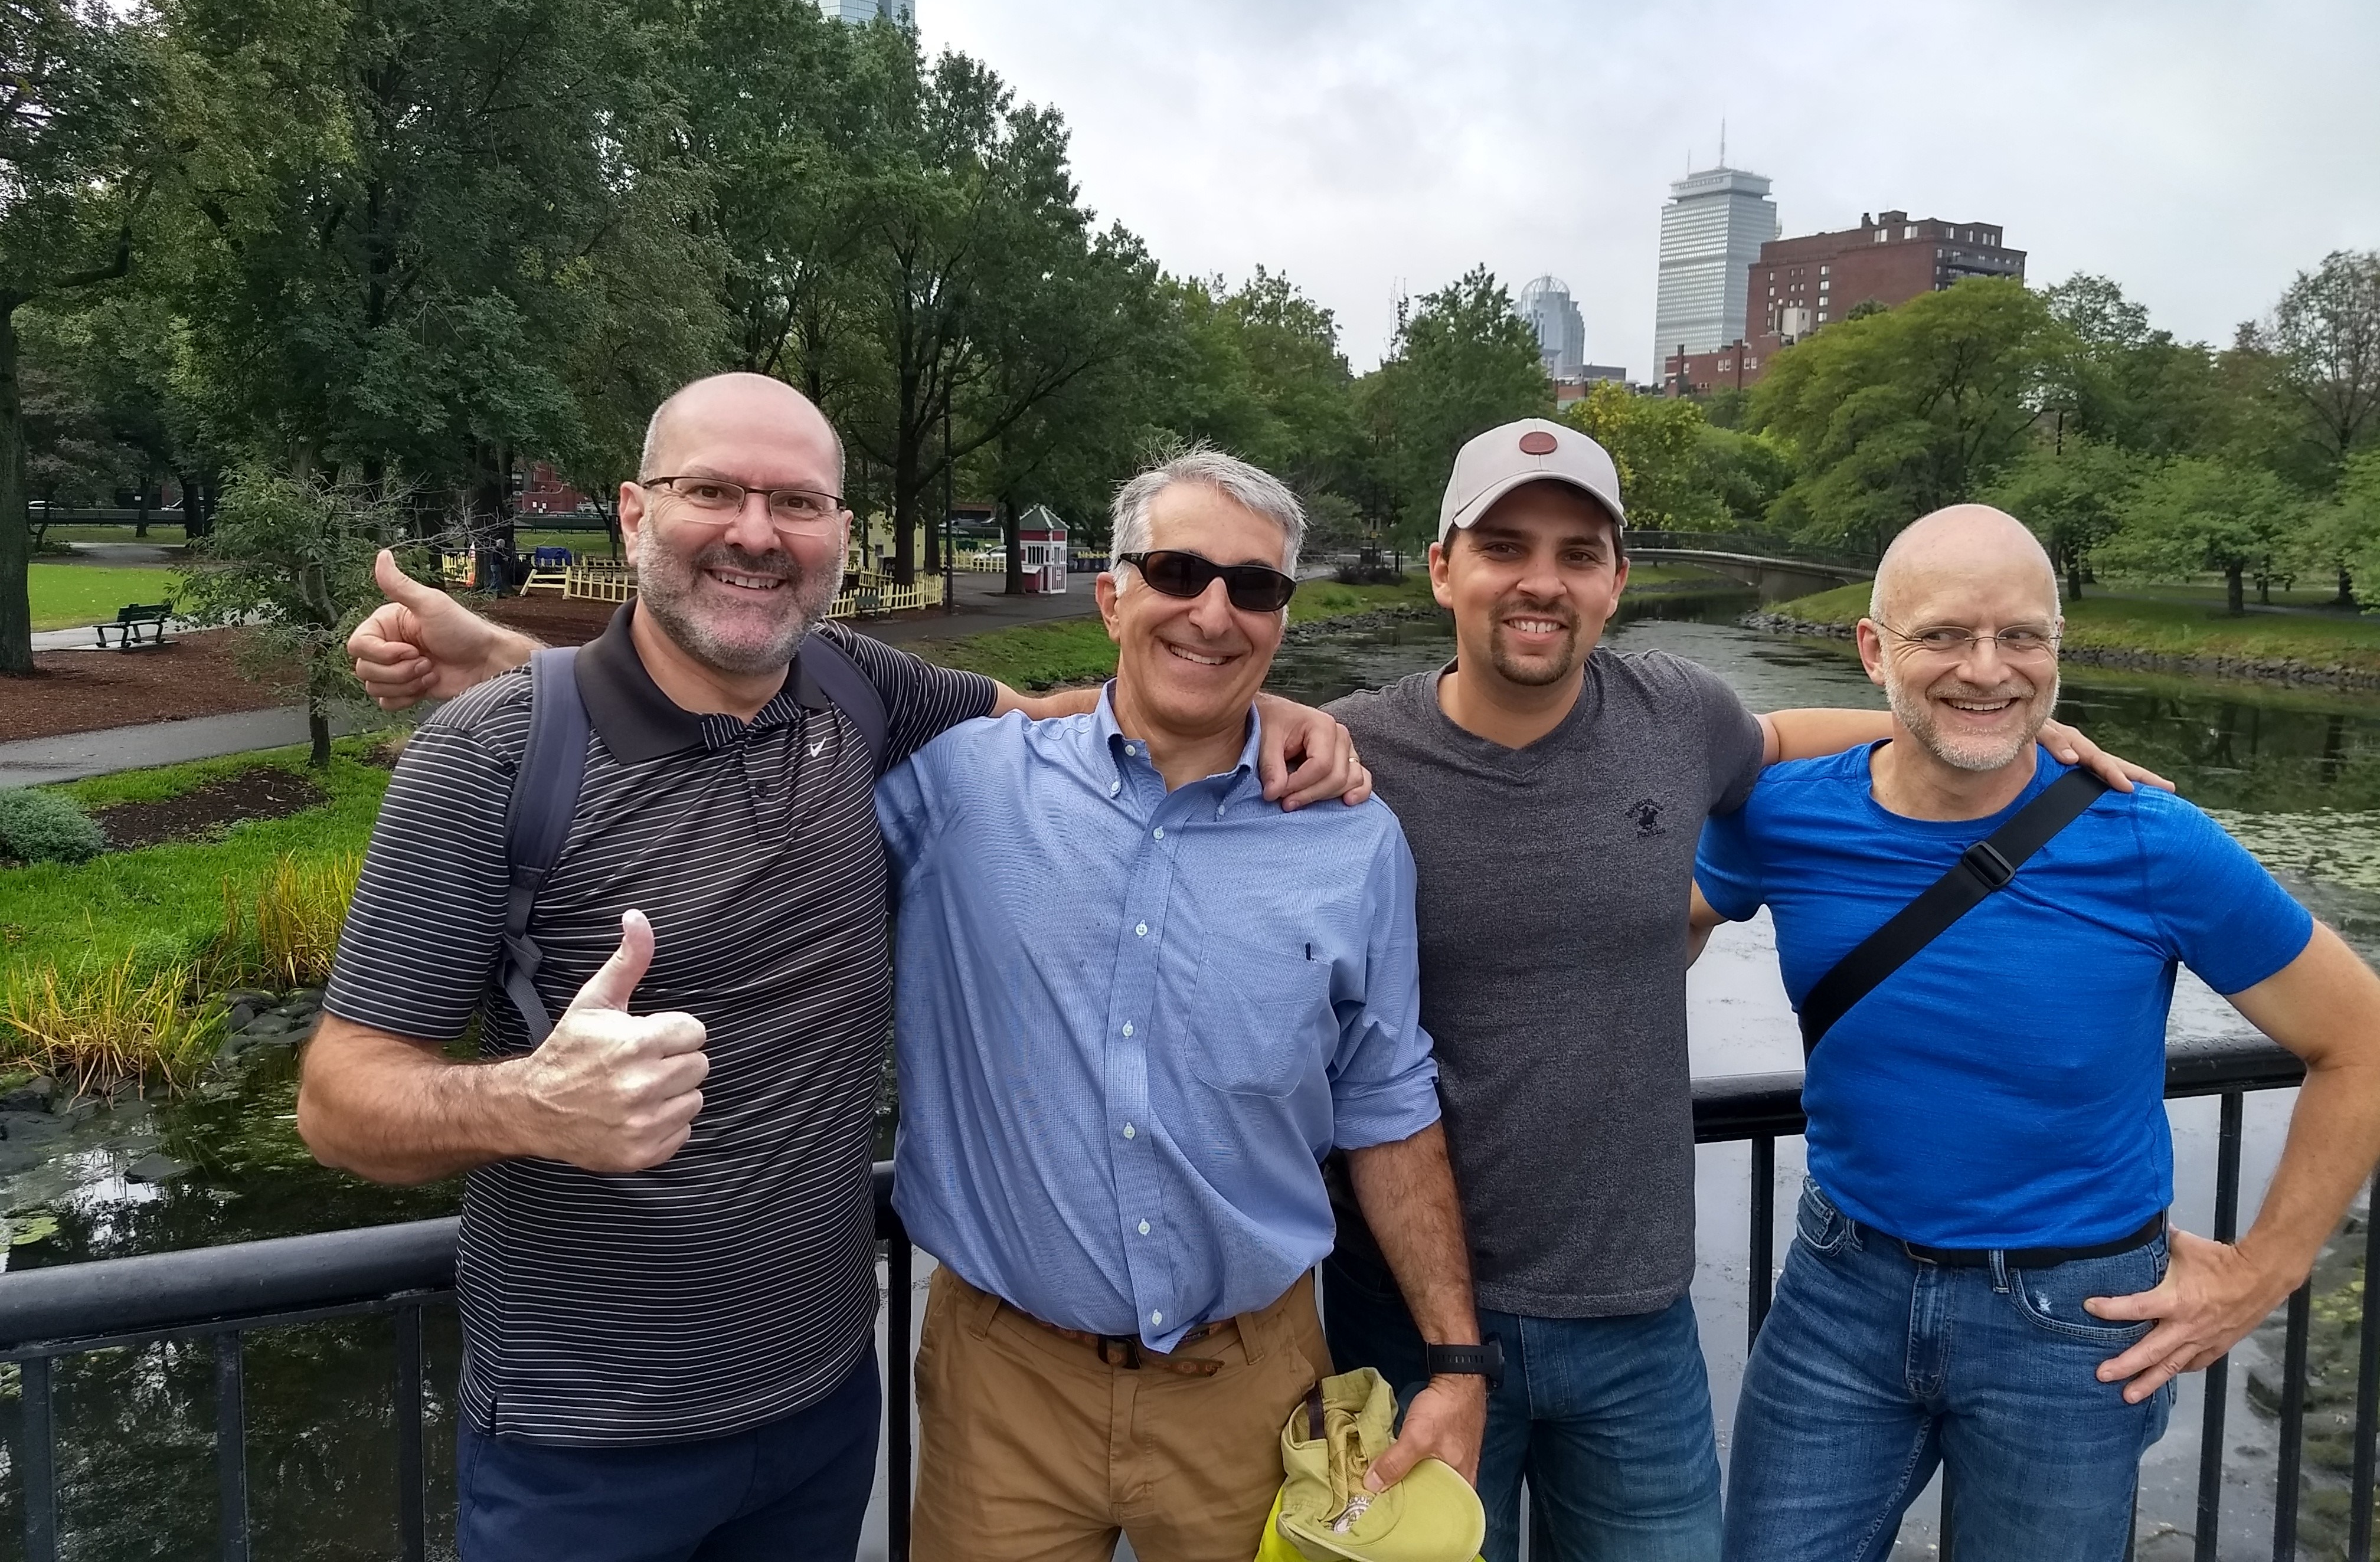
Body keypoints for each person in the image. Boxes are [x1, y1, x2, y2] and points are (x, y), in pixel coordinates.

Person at [310, 374, 1364, 1562]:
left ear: (841, 538)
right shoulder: (490, 755)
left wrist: (1261, 709)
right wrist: (524, 1103)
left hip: (819, 1416)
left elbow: (1072, 721)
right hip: (583, 1447)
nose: (756, 532)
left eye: (797, 503)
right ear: (633, 515)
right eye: (711, 490)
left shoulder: (860, 693)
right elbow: (339, 1098)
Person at [1316, 421, 2158, 1562]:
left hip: (1636, 1325)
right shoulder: (1347, 754)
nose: (1541, 582)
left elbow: (1780, 736)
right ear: (1441, 568)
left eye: (1578, 553)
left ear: (1617, 579)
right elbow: (1160, 718)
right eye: (1505, 545)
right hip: (1411, 1320)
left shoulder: (1676, 714)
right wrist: (1250, 714)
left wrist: (1994, 727)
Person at [1692, 504, 2380, 1562]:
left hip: (2073, 1325)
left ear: (2057, 649)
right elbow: (1634, 946)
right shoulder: (1780, 816)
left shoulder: (2150, 841)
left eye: (2022, 637)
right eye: (1945, 636)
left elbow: (2362, 1040)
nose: (1988, 669)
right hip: (1841, 1294)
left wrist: (2265, 1273)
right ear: (1874, 648)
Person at [880, 450, 1486, 1562]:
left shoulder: (1355, 842)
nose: (1214, 612)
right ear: (1113, 595)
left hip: (1253, 1392)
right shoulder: (964, 787)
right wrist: (521, 673)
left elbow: (1389, 1104)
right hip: (1005, 1383)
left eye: (1254, 588)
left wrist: (1457, 1362)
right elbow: (740, 752)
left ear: (1282, 621)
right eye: (1178, 571)